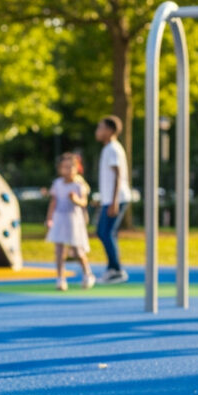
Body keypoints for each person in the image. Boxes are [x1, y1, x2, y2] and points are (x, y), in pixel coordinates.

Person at [46, 152, 96, 291]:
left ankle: (87, 274)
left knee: (77, 251)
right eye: (64, 167)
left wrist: (76, 200)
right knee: (59, 251)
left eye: (70, 167)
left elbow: (84, 202)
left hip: (73, 219)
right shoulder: (57, 184)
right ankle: (60, 278)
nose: (67, 170)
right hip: (60, 218)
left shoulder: (79, 185)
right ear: (60, 169)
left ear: (76, 168)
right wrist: (49, 218)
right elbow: (53, 202)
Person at [94, 116, 130, 283]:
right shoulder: (108, 148)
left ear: (110, 130)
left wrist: (114, 201)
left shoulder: (113, 149)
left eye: (100, 128)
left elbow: (118, 176)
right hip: (109, 198)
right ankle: (112, 268)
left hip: (116, 198)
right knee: (104, 232)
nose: (98, 131)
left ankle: (116, 269)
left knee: (105, 232)